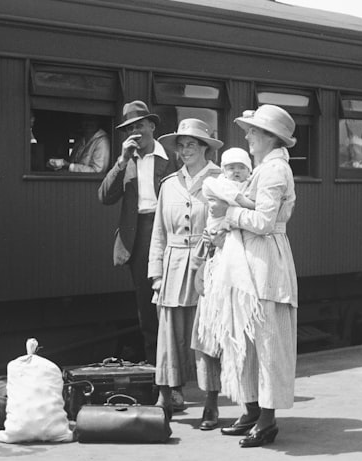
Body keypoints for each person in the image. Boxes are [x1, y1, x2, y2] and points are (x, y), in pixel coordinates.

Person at [201, 105, 298, 448]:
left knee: (267, 342)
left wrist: (228, 212)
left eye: (253, 132)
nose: (247, 136)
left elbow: (265, 223)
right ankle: (253, 410)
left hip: (266, 261)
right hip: (252, 259)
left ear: (269, 137)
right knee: (249, 339)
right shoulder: (265, 169)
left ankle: (267, 420)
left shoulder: (273, 171)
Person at [148, 118, 222, 419]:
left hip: (209, 266)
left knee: (205, 334)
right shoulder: (168, 184)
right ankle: (167, 398)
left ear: (205, 148)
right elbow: (158, 234)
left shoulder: (220, 180)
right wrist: (155, 274)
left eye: (192, 144)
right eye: (181, 145)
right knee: (168, 336)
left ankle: (211, 403)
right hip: (173, 266)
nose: (185, 149)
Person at [97, 101, 178, 364]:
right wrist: (121, 161)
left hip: (169, 230)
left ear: (152, 126)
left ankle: (179, 369)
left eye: (140, 126)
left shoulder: (171, 158)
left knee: (175, 301)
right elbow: (105, 197)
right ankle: (157, 369)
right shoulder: (126, 161)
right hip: (140, 234)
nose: (136, 132)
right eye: (130, 128)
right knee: (147, 305)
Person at [191, 146, 255, 429]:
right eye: (231, 167)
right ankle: (210, 403)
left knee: (239, 340)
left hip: (243, 275)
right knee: (208, 338)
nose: (236, 171)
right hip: (217, 270)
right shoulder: (218, 186)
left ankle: (248, 406)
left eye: (241, 167)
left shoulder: (255, 192)